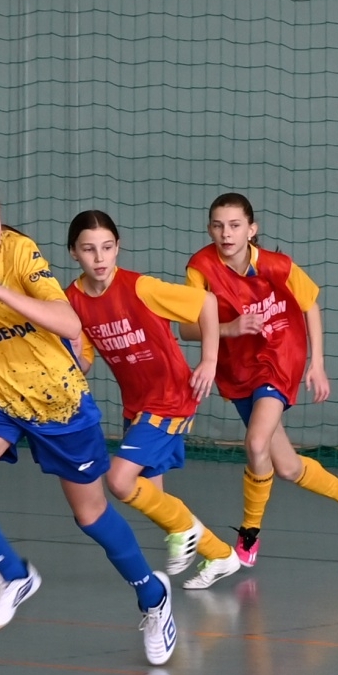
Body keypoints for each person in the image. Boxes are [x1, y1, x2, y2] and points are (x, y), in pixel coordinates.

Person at [0, 172, 176, 663]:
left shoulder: (19, 253)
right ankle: (13, 575)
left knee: (91, 515)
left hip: (57, 400)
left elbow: (69, 322)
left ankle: (153, 595)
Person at [183, 193, 338, 564]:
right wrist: (229, 328)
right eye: (219, 226)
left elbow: (310, 306)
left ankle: (250, 534)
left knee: (256, 443)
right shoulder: (200, 268)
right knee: (288, 466)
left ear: (251, 230)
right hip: (237, 366)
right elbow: (187, 329)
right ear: (209, 229)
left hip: (279, 356)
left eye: (235, 225)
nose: (226, 233)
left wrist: (317, 363)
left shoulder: (277, 266)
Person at [65, 210, 242, 590]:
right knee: (153, 499)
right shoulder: (72, 301)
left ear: (118, 248)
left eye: (107, 247)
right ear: (73, 253)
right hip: (137, 404)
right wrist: (71, 355)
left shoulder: (140, 288)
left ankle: (187, 531)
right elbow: (85, 363)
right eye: (89, 249)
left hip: (171, 396)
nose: (99, 257)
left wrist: (209, 361)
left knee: (119, 480)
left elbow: (206, 304)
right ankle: (221, 554)